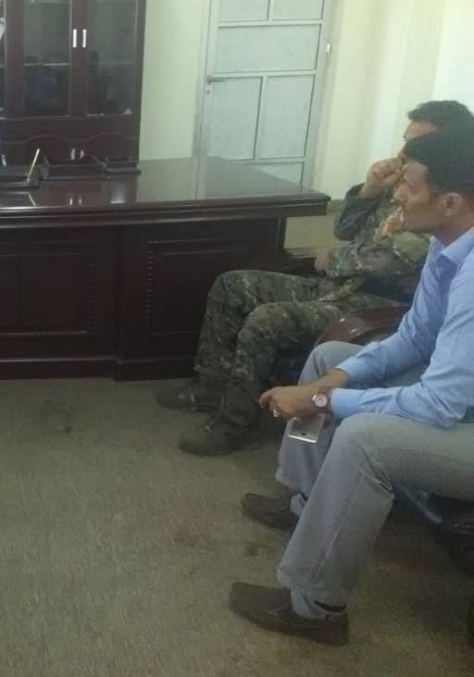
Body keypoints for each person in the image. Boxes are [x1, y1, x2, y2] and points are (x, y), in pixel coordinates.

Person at [228, 127, 474, 645]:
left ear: (450, 202)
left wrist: (322, 398)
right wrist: (332, 380)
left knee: (365, 440)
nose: (398, 195)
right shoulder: (448, 246)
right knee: (330, 356)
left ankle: (314, 606)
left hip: (460, 415)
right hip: (461, 400)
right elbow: (412, 339)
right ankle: (303, 496)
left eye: (409, 186)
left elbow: (438, 403)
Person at [158, 100, 474, 456]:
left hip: (374, 300)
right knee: (232, 285)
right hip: (339, 286)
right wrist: (370, 190)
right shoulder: (404, 184)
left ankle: (233, 424)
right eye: (405, 142)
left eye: (415, 144)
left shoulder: (442, 206)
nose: (402, 153)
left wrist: (331, 260)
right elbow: (343, 228)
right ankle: (210, 389)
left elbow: (393, 259)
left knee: (267, 320)